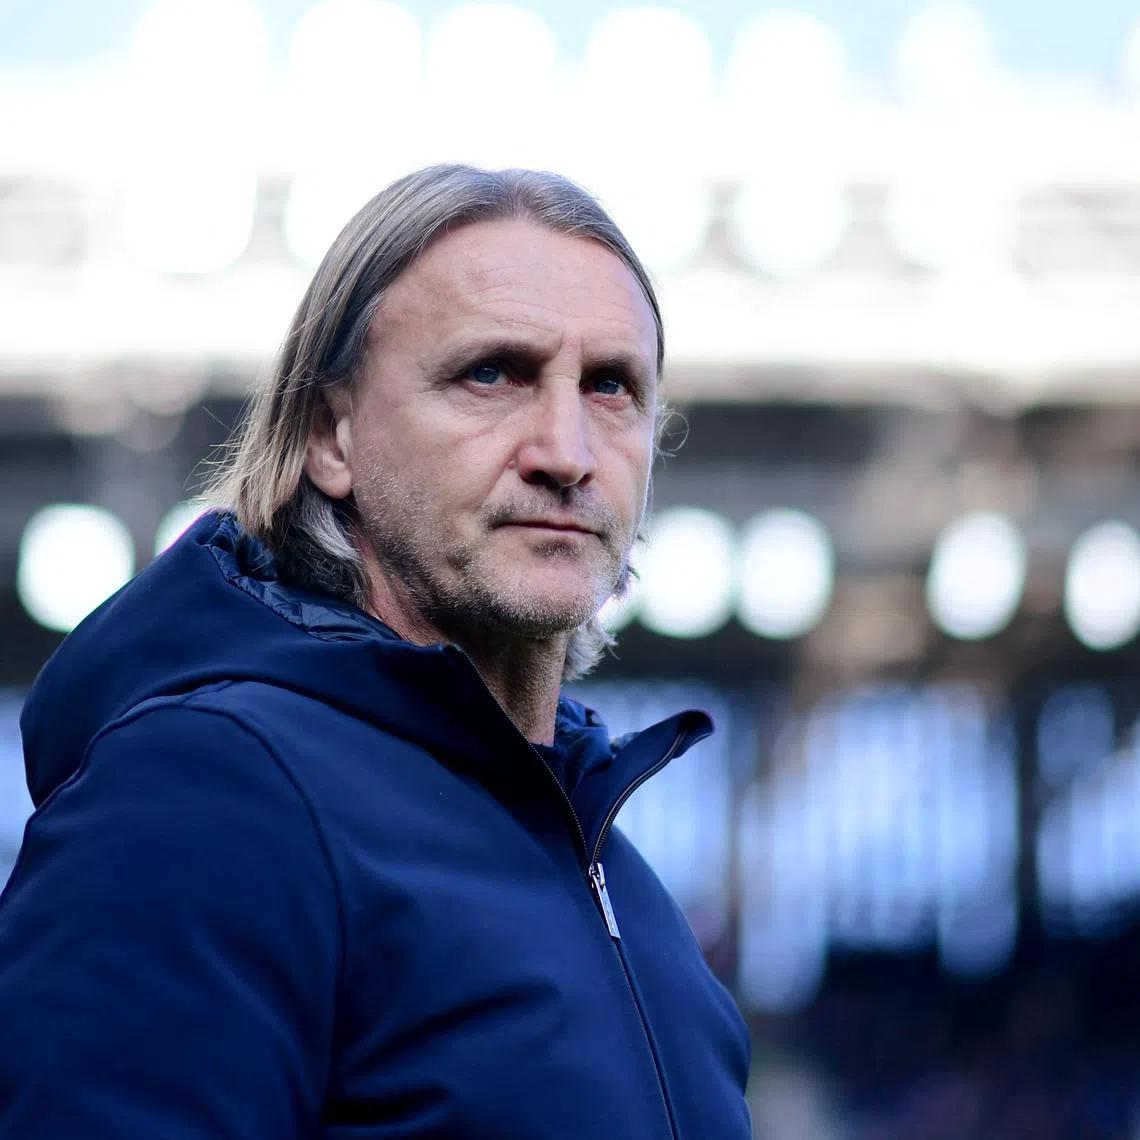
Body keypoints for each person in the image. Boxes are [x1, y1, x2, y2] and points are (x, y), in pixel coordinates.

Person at [0, 165, 752, 1138]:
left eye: (611, 386)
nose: (566, 450)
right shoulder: (203, 796)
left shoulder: (631, 893)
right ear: (329, 435)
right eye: (493, 373)